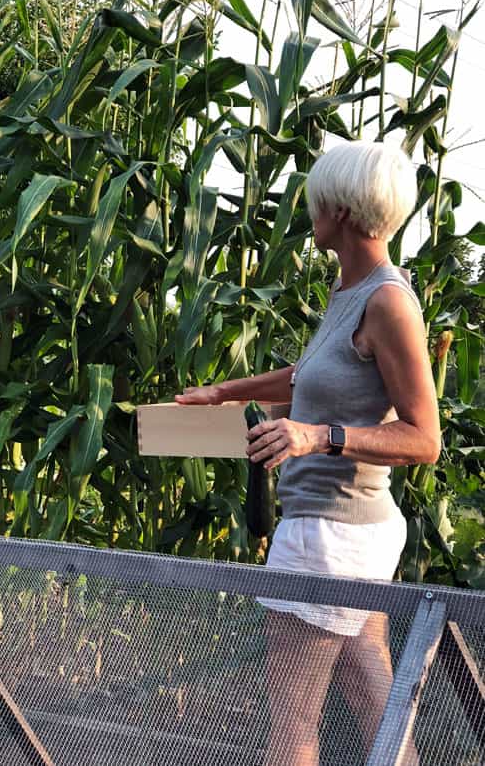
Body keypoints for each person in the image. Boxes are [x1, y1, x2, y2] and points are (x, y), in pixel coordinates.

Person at [175, 141, 440, 766]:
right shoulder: (351, 292)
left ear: (342, 211)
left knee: (290, 727)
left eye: (317, 199)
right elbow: (312, 376)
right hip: (346, 532)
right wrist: (226, 392)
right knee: (371, 696)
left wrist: (315, 436)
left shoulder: (388, 302)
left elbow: (424, 438)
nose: (309, 209)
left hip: (330, 533)